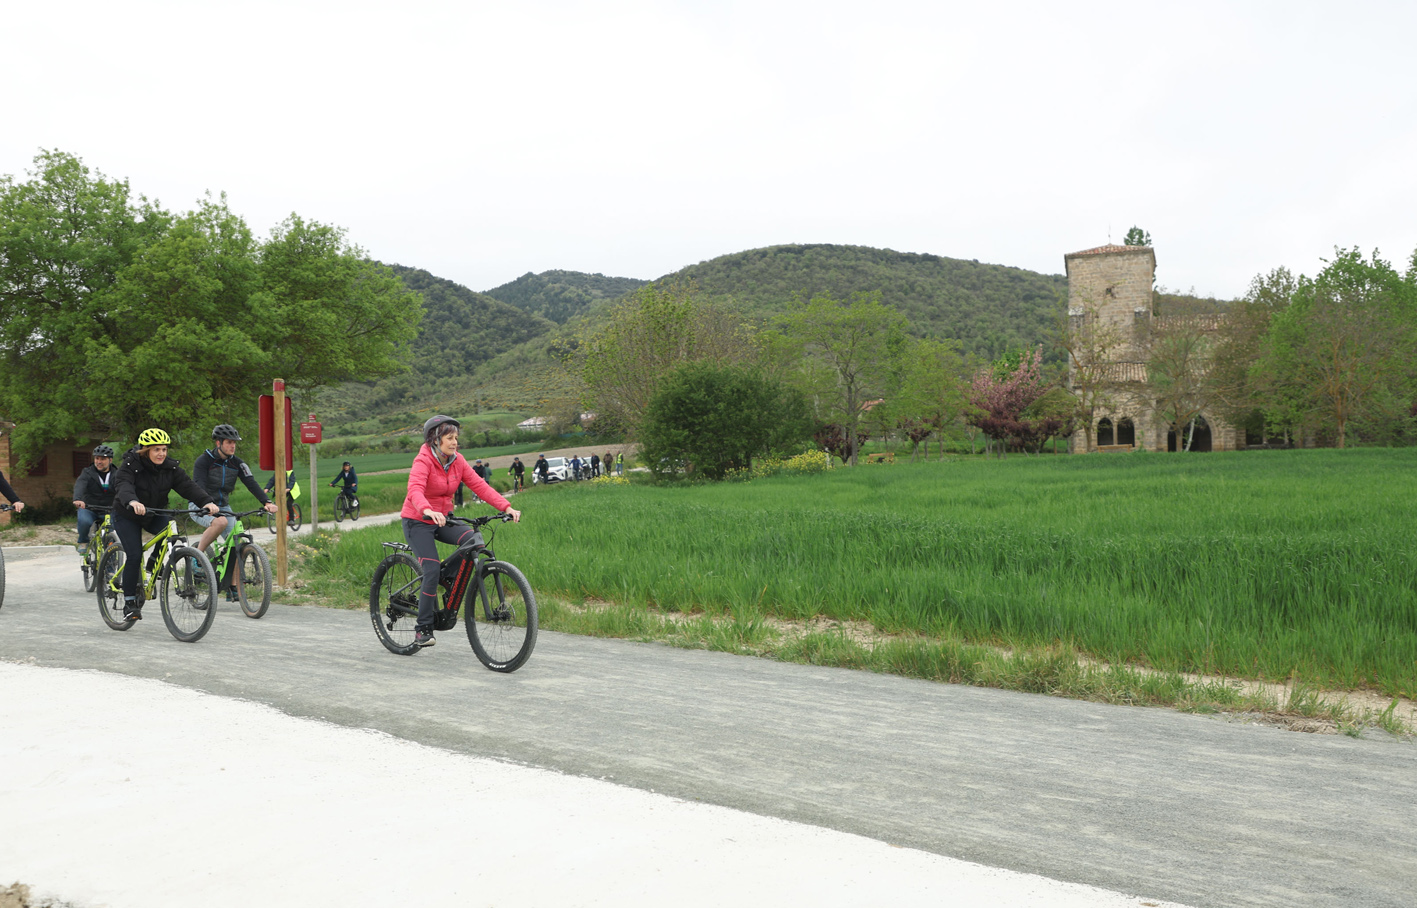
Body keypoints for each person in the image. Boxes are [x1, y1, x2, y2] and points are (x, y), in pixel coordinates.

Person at [401, 415, 521, 648]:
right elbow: (414, 488)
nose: (455, 442)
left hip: (444, 519)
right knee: (431, 568)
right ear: (436, 439)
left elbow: (479, 485)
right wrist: (426, 508)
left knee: (474, 540)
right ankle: (423, 628)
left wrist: (506, 506)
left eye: (456, 437)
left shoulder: (457, 460)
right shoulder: (423, 460)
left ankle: (448, 579)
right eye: (449, 437)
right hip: (417, 520)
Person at [112, 428, 219, 621]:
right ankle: (129, 604)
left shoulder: (170, 468)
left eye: (164, 449)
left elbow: (187, 486)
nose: (161, 453)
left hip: (154, 512)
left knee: (172, 531)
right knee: (135, 555)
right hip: (127, 514)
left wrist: (206, 501)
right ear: (145, 451)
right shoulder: (130, 465)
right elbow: (123, 485)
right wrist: (132, 502)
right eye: (156, 450)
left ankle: (153, 563)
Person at [191, 425, 278, 599]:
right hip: (200, 505)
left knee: (237, 541)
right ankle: (197, 557)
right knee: (220, 522)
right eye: (229, 442)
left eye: (234, 443)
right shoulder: (204, 461)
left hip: (223, 506)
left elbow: (251, 482)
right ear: (218, 443)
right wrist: (206, 504)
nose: (233, 446)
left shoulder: (237, 463)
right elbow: (198, 485)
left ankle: (232, 586)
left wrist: (266, 502)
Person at [73, 445, 117, 554]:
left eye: (103, 459)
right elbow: (80, 484)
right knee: (84, 521)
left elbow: (123, 489)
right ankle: (83, 541)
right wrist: (78, 499)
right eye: (97, 458)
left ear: (110, 460)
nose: (99, 461)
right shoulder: (87, 472)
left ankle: (110, 569)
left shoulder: (117, 474)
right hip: (89, 508)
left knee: (110, 538)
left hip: (109, 509)